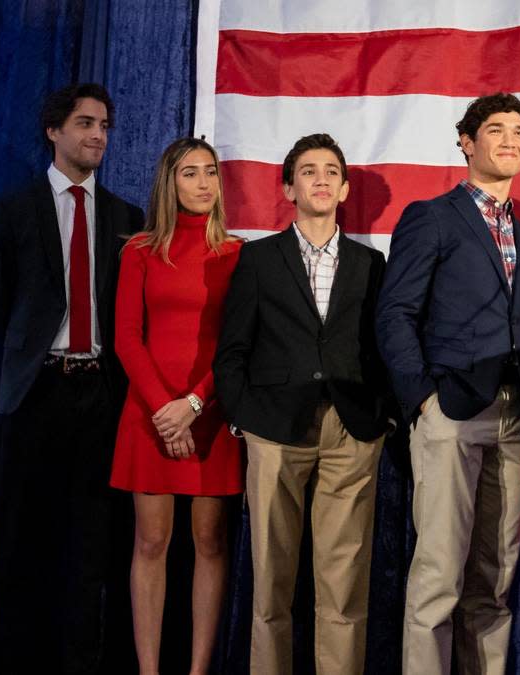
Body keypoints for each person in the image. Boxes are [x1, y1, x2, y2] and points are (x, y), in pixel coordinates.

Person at [375, 92, 520, 675]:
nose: (510, 140)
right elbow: (394, 315)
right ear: (467, 142)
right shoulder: (430, 217)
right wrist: (424, 402)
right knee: (438, 576)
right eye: (497, 129)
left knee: (495, 580)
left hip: (517, 420)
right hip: (452, 412)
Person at [0, 82, 144, 674]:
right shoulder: (12, 210)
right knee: (23, 549)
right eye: (84, 123)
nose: (98, 134)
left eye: (104, 125)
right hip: (34, 396)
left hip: (101, 398)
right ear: (53, 130)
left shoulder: (128, 217)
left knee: (90, 554)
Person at [213, 133, 392, 675]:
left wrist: (381, 414)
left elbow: (383, 346)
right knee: (272, 579)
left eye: (331, 171)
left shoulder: (369, 262)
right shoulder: (259, 258)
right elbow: (233, 349)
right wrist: (244, 416)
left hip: (352, 428)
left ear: (343, 187)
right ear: (289, 186)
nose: (320, 178)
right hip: (274, 427)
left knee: (344, 584)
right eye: (308, 170)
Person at [110, 138, 242, 675]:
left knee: (210, 541)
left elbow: (238, 342)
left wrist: (193, 404)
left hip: (209, 414)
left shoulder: (238, 253)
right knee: (152, 540)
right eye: (190, 174)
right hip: (149, 413)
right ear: (170, 182)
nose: (203, 183)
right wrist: (166, 410)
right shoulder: (139, 250)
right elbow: (126, 337)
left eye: (210, 172)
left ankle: (197, 669)